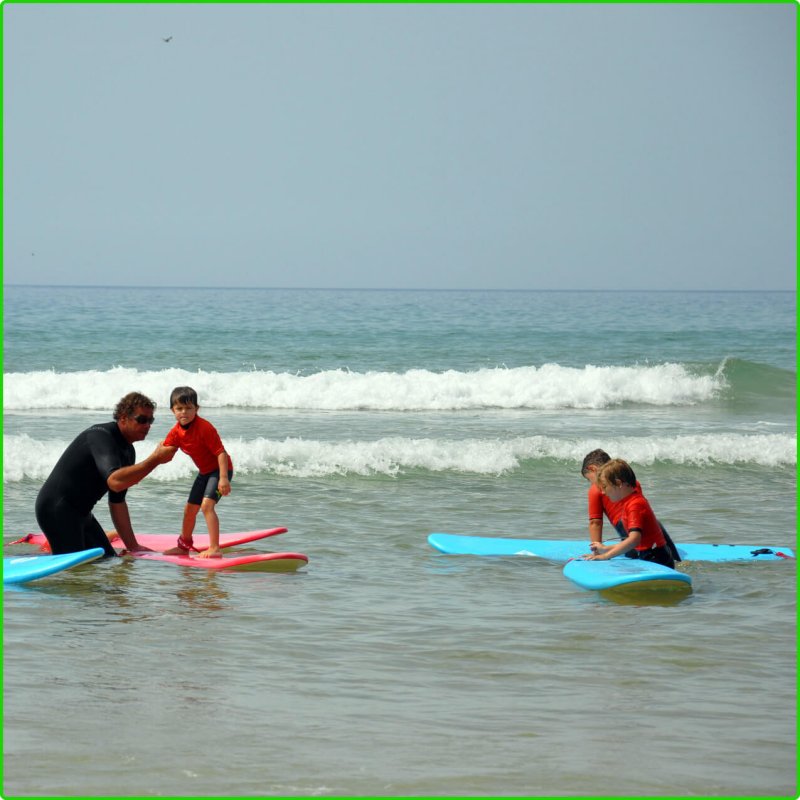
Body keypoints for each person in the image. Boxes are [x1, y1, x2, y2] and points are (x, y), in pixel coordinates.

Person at [35, 392, 175, 557]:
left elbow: (118, 502)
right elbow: (114, 480)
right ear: (123, 418)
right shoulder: (101, 435)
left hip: (82, 514)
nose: (147, 426)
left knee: (108, 560)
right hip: (56, 509)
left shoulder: (128, 451)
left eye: (150, 421)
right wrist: (155, 459)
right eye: (141, 420)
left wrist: (133, 546)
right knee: (75, 569)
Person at [161, 386, 233, 558]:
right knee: (189, 510)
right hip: (205, 472)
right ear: (172, 410)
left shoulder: (204, 428)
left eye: (188, 408)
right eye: (179, 408)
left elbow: (221, 453)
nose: (184, 412)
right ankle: (183, 546)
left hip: (219, 470)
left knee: (207, 506)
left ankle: (214, 548)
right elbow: (165, 450)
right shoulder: (176, 431)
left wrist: (223, 478)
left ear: (196, 409)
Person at [580, 448, 680, 562]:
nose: (602, 491)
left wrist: (598, 553)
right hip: (651, 526)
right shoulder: (631, 483)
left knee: (634, 554)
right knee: (671, 556)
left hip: (630, 527)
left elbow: (595, 522)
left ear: (592, 468)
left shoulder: (595, 490)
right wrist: (605, 548)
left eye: (589, 479)